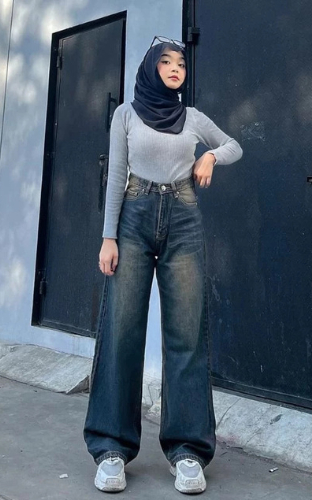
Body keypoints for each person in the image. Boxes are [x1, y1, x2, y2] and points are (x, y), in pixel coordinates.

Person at [83, 36, 242, 494]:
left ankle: (187, 451)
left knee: (186, 333)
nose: (175, 69)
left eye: (181, 64)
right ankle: (111, 449)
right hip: (132, 219)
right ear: (151, 68)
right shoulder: (126, 115)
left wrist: (209, 155)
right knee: (122, 330)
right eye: (166, 62)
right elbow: (116, 175)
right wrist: (108, 237)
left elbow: (234, 146)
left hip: (184, 218)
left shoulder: (192, 118)